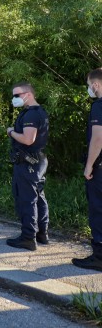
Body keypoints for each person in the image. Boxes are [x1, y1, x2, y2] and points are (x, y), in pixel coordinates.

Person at [6, 82, 49, 251]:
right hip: (37, 160)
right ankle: (42, 233)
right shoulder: (39, 111)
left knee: (27, 198)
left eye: (17, 95)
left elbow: (28, 139)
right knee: (38, 195)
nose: (14, 98)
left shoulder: (31, 115)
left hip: (28, 162)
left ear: (28, 94)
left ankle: (28, 237)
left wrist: (11, 132)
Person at [72, 68, 102, 271]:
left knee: (98, 210)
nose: (89, 89)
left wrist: (89, 165)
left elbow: (98, 139)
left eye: (89, 84)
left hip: (100, 169)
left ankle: (99, 257)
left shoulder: (98, 106)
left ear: (96, 85)